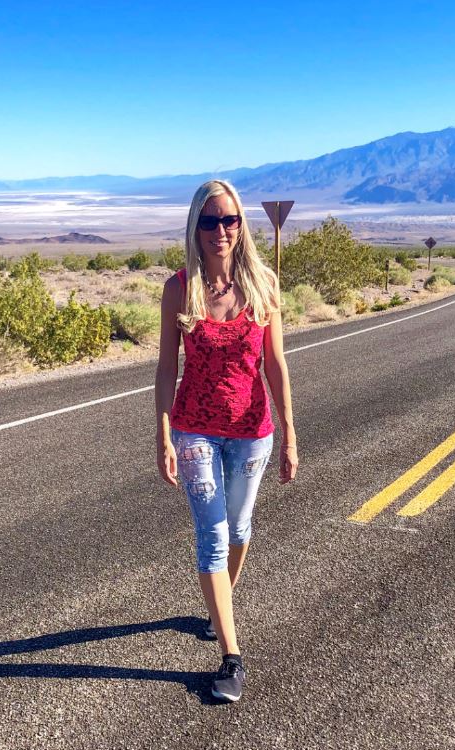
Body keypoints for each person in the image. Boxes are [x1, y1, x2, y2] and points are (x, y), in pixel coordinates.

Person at [154, 178, 298, 703]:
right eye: (210, 221)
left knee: (239, 528)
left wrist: (289, 434)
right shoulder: (180, 288)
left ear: (242, 227)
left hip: (252, 433)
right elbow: (167, 367)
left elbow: (276, 364)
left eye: (230, 220)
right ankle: (231, 657)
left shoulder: (264, 286)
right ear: (195, 227)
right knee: (212, 534)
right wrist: (164, 434)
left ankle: (221, 609)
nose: (221, 230)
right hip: (194, 430)